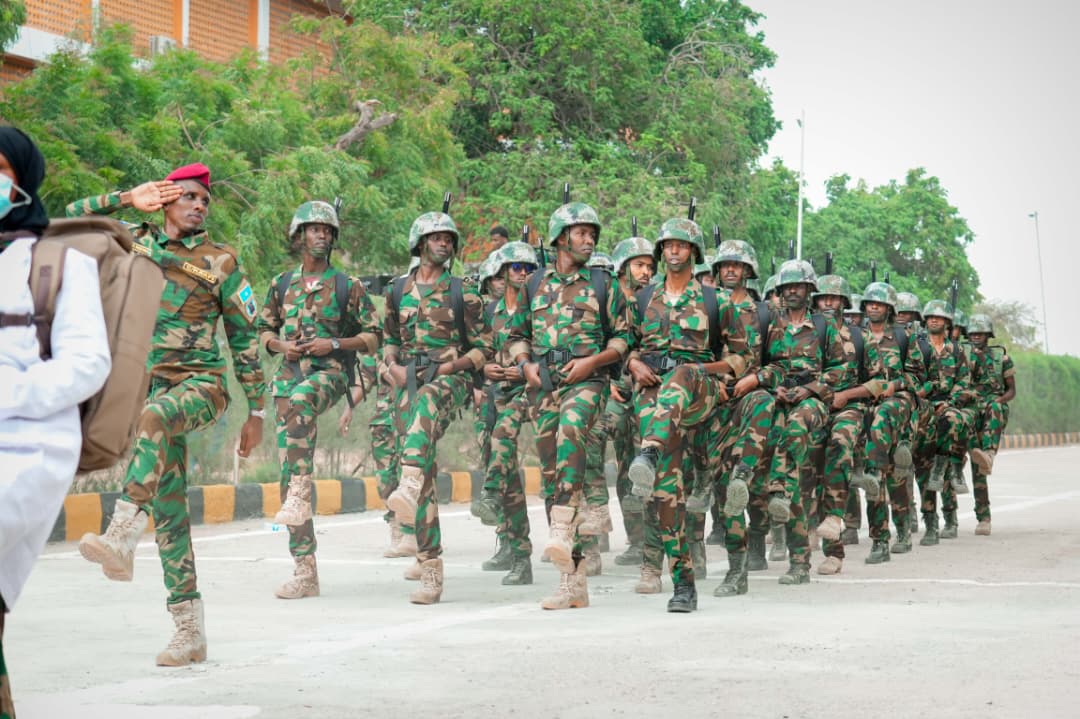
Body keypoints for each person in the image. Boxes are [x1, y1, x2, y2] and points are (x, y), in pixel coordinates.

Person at [70, 162, 266, 666]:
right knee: (172, 511)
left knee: (155, 416)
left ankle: (121, 533)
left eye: (205, 200)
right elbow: (71, 217)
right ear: (164, 199)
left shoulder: (220, 261)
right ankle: (189, 631)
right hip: (149, 390)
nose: (199, 205)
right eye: (189, 196)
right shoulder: (133, 240)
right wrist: (125, 197)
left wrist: (257, 411)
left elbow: (244, 340)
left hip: (201, 387)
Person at [0, 126, 111, 718]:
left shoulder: (58, 262)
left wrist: (10, 393)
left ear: (23, 181)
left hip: (27, 448)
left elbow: (88, 364)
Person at [508, 201, 631, 610]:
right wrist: (525, 364)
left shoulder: (603, 284)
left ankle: (561, 529)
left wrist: (592, 363)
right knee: (552, 475)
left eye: (592, 234)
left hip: (588, 380)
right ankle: (572, 581)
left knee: (572, 430)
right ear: (561, 238)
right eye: (581, 233)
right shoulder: (533, 284)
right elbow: (517, 335)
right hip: (544, 383)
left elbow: (623, 339)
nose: (589, 239)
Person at [257, 201, 380, 599]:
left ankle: (300, 490)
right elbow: (263, 330)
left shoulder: (347, 285)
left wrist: (335, 344)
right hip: (288, 380)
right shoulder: (281, 284)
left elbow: (374, 335)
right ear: (299, 236)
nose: (321, 235)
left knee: (303, 401)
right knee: (288, 477)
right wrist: (282, 345)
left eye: (327, 230)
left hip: (328, 375)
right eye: (314, 229)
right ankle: (305, 571)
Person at [384, 209, 493, 604]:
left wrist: (452, 367)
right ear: (420, 243)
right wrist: (392, 366)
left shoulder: (463, 292)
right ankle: (429, 566)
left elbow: (485, 347)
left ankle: (408, 484)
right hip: (407, 383)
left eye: (449, 239)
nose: (444, 244)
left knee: (425, 419)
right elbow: (389, 338)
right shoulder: (397, 290)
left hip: (450, 380)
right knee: (422, 468)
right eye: (437, 238)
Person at [475, 240, 540, 585]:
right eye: (516, 267)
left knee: (503, 438)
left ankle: (488, 493)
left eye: (529, 268)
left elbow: (553, 349)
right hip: (495, 396)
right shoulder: (490, 312)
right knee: (508, 478)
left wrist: (524, 369)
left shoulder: (541, 309)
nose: (522, 273)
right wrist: (485, 368)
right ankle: (518, 556)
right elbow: (477, 351)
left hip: (532, 392)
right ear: (502, 271)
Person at [965, 314, 1016, 535]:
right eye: (973, 333)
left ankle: (989, 453)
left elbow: (1011, 390)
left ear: (988, 335)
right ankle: (979, 517)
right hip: (970, 411)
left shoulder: (1001, 358)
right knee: (975, 469)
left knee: (981, 465)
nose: (976, 336)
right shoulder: (961, 355)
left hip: (992, 411)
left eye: (980, 333)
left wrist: (1000, 400)